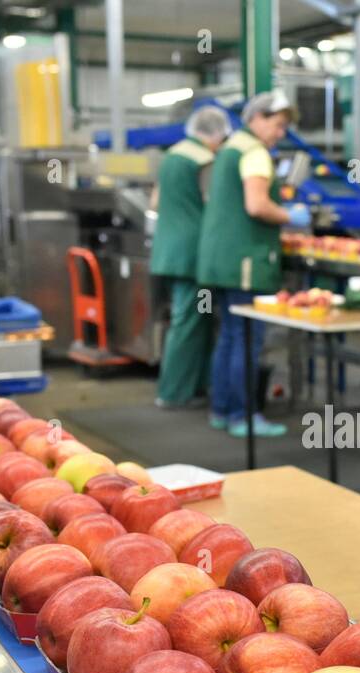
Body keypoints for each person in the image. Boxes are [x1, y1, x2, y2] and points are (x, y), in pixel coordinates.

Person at [196, 90, 310, 438]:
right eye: (277, 125)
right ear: (256, 119)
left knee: (230, 335)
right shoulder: (255, 153)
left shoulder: (231, 148)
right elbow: (257, 205)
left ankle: (223, 410)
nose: (280, 133)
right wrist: (291, 214)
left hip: (221, 258)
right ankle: (243, 415)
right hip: (246, 260)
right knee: (247, 337)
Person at [151, 105, 231, 408]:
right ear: (216, 134)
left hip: (169, 250)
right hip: (194, 252)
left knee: (194, 318)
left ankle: (195, 386)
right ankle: (172, 393)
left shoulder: (173, 155)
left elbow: (156, 201)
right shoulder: (205, 161)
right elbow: (217, 206)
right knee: (189, 320)